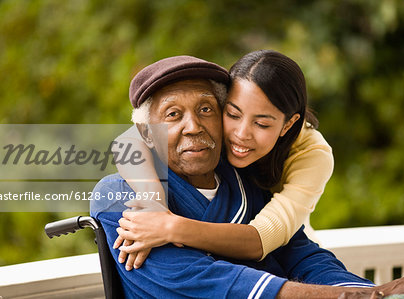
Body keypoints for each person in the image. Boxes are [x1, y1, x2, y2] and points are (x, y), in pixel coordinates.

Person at [90, 55, 404, 298]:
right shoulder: (118, 195)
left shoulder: (247, 180)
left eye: (206, 109)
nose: (193, 126)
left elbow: (301, 253)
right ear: (147, 132)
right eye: (174, 115)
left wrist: (368, 291)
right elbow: (205, 282)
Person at [114, 50, 333, 270]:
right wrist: (153, 202)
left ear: (288, 124)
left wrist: (169, 227)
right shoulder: (205, 123)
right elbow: (128, 141)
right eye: (233, 114)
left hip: (282, 246)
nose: (241, 134)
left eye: (262, 124)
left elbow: (261, 239)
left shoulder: (312, 153)